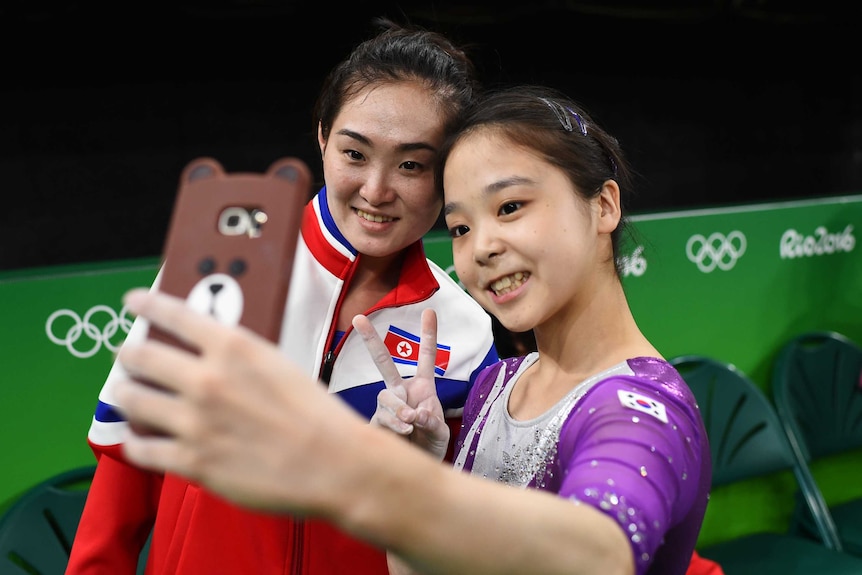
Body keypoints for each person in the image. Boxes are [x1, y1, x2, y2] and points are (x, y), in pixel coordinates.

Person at [108, 84, 712, 575]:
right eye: (461, 228)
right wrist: (416, 467)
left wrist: (373, 481)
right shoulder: (499, 385)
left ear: (604, 206)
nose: (484, 248)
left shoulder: (640, 408)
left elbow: (601, 551)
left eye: (510, 208)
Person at [65, 18, 498, 575]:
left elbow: (460, 539)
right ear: (322, 137)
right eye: (355, 154)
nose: (376, 190)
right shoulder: (221, 261)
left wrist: (424, 468)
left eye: (412, 165)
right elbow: (129, 457)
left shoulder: (463, 330)